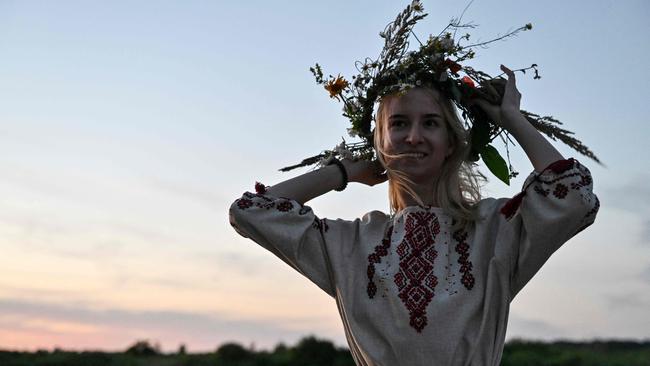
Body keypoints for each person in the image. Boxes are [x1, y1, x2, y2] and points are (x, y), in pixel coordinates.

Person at [229, 65, 599, 365]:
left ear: (451, 141)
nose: (413, 136)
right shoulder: (349, 243)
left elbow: (573, 196)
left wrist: (511, 118)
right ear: (381, 142)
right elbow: (249, 212)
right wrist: (340, 172)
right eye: (399, 123)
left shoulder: (497, 227)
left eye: (431, 123)